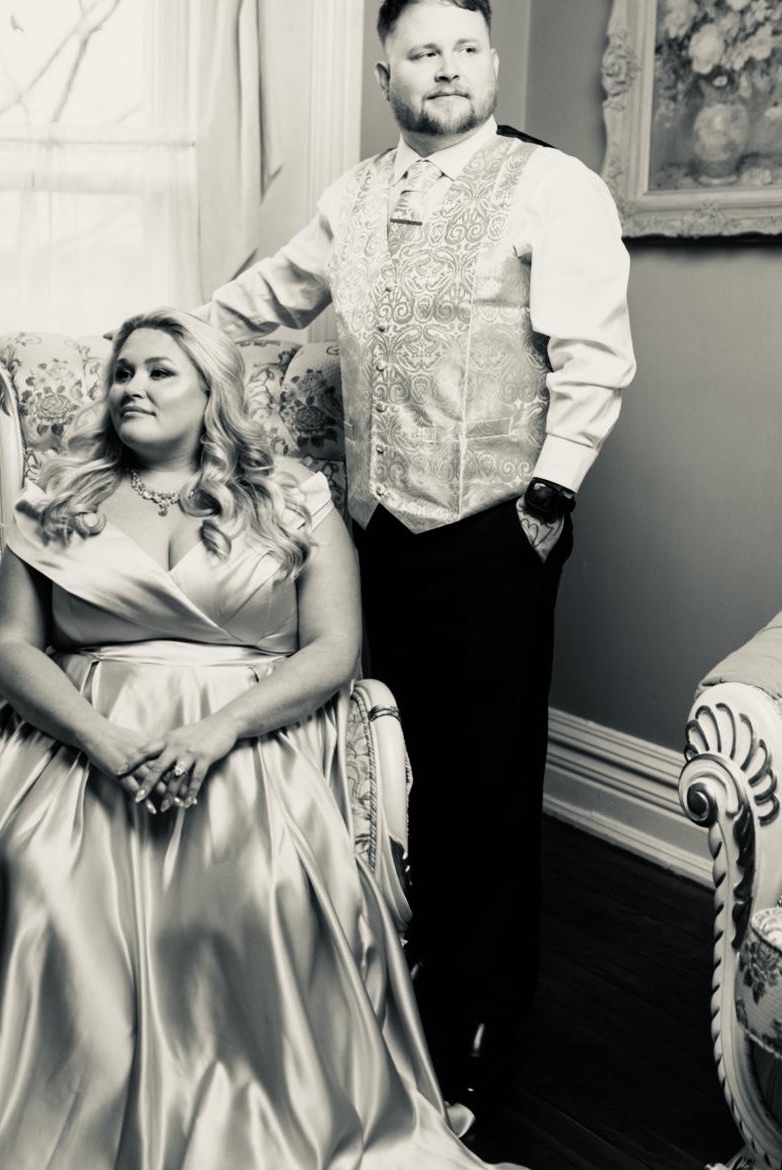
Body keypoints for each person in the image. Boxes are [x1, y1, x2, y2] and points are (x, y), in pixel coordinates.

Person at [0, 309, 525, 1169]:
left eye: (158, 371)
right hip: (82, 732)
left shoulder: (294, 496)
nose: (131, 386)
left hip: (248, 733)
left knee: (265, 882)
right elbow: (11, 650)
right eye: (122, 372)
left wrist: (218, 732)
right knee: (39, 879)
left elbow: (333, 650)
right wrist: (100, 740)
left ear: (211, 389)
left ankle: (253, 1110)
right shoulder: (58, 496)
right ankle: (54, 1118)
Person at [194, 0, 636, 1110]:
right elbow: (264, 301)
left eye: (468, 49)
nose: (449, 68)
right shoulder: (352, 196)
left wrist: (548, 498)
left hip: (496, 527)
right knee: (382, 762)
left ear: (491, 62)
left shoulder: (554, 186)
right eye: (424, 51)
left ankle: (479, 1025)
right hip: (372, 532)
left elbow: (594, 357)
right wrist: (155, 347)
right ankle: (385, 986)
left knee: (486, 784)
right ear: (384, 69)